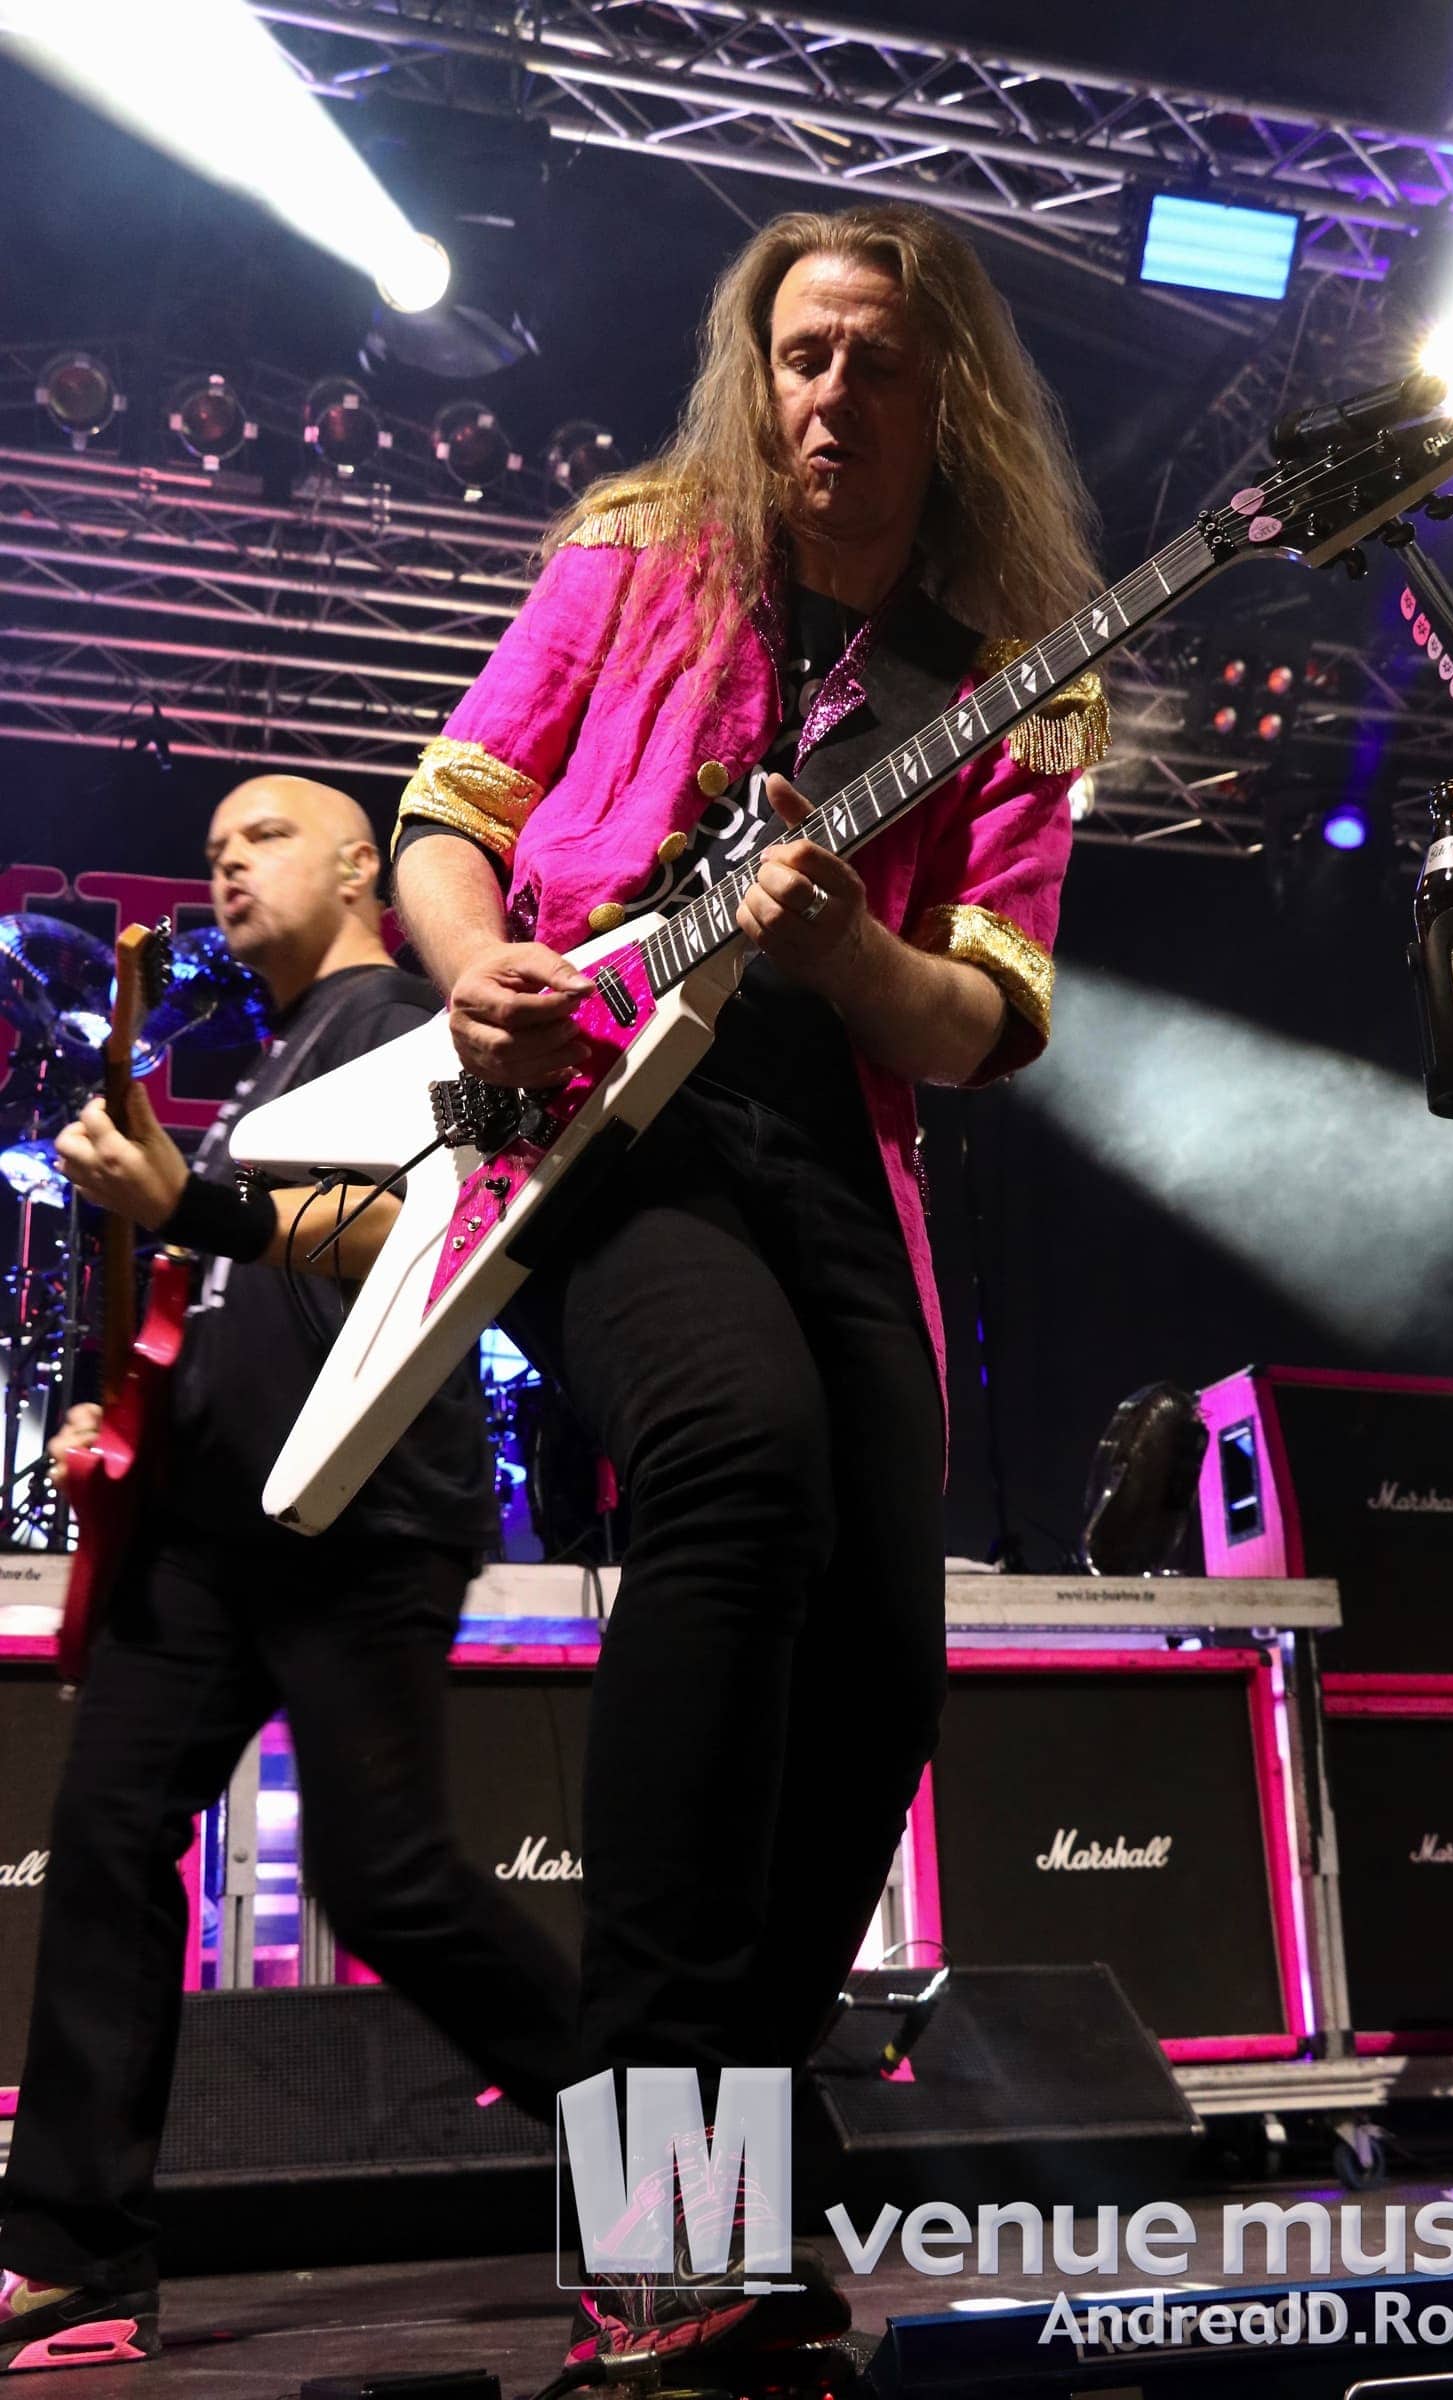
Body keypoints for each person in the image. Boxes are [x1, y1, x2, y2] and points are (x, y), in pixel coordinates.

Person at [393, 201, 1108, 2365]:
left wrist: (848, 953)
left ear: (945, 388)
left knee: (883, 1663)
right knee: (736, 1464)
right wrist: (471, 967)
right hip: (604, 1122)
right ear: (756, 373)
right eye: (801, 353)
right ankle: (655, 2225)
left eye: (875, 357)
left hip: (833, 1146)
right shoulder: (637, 552)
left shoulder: (1012, 666)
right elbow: (446, 815)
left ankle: (731, 2176)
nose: (831, 393)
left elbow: (981, 1021)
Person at [0, 776, 577, 2376]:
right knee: (106, 1833)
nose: (227, 867)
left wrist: (188, 1199)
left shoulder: (408, 1023)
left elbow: (426, 1232)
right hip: (207, 1526)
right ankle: (72, 2255)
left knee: (393, 1883)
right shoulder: (263, 1064)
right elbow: (224, 1298)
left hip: (360, 1510)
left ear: (357, 861)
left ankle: (695, 2185)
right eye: (212, 853)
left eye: (261, 839)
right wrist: (118, 1412)